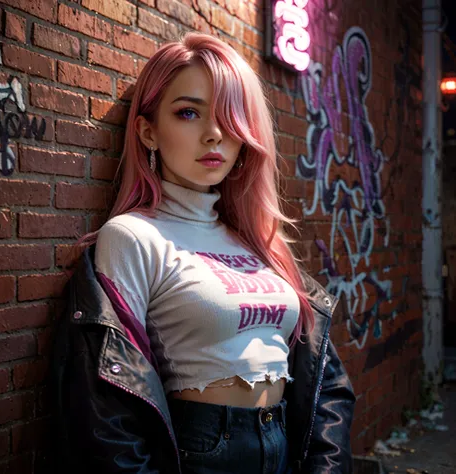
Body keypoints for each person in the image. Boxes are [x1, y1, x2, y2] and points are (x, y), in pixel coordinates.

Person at [51, 33, 355, 474]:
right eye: (188, 113)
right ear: (148, 131)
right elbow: (106, 405)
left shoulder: (259, 242)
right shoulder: (133, 237)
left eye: (229, 116)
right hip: (202, 452)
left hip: (286, 443)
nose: (214, 133)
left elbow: (325, 380)